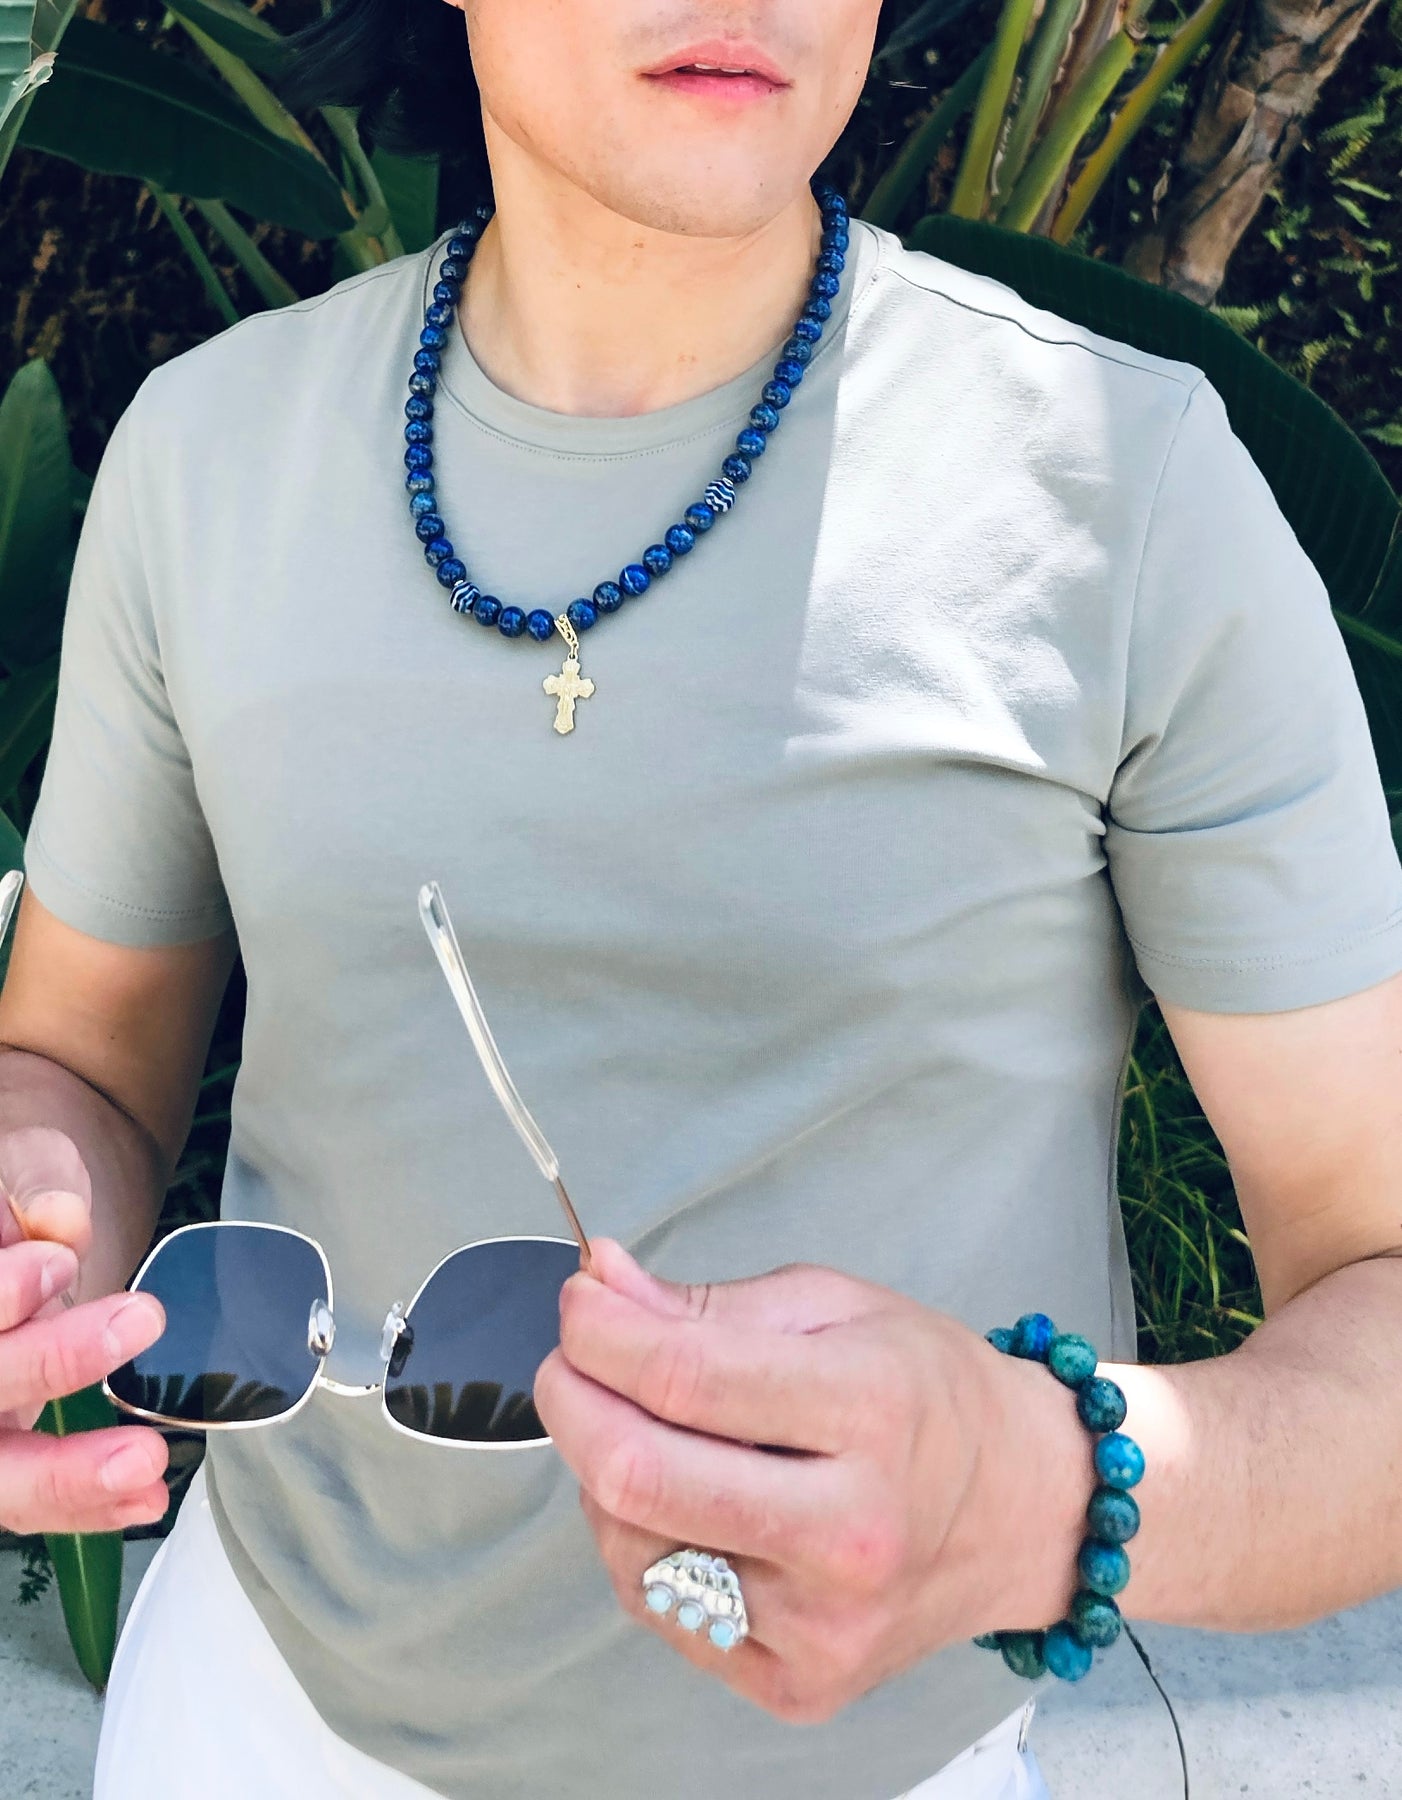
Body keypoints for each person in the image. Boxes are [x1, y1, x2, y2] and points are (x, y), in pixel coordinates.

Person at [1, 0, 1400, 1795]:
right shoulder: (209, 454)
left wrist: (1038, 1486)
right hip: (248, 1706)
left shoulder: (1121, 491)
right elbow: (83, 1071)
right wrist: (33, 1242)